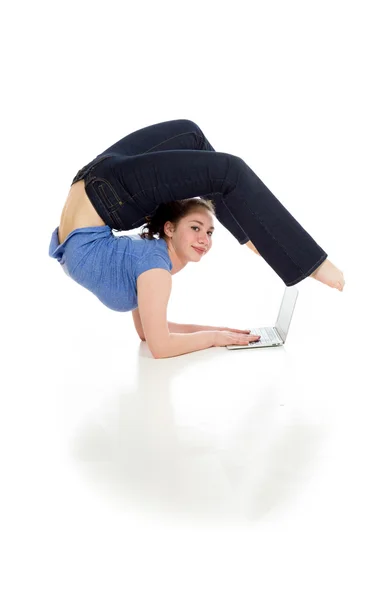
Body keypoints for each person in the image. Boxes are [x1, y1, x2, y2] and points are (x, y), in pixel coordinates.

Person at [49, 119, 345, 356]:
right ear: (169, 228)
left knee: (191, 134)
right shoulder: (153, 269)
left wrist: (221, 332)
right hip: (102, 191)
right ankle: (306, 261)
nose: (204, 239)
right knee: (231, 170)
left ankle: (249, 233)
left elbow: (151, 333)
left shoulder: (147, 262)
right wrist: (215, 338)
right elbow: (160, 345)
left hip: (96, 178)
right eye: (195, 228)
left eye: (208, 231)